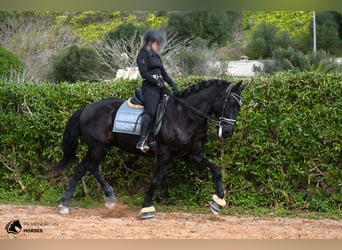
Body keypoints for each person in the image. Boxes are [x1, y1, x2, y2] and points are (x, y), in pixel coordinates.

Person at [136, 29, 179, 152]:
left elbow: (164, 74)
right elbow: (144, 73)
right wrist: (157, 82)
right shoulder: (143, 54)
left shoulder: (156, 56)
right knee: (151, 111)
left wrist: (172, 84)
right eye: (157, 43)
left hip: (160, 87)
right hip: (150, 87)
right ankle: (142, 140)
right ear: (150, 42)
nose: (159, 46)